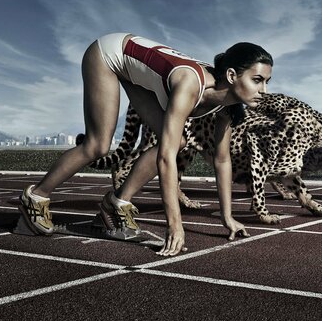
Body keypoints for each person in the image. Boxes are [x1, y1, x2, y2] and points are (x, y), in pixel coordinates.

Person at [18, 33, 273, 256]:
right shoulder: (190, 84)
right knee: (98, 145)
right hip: (109, 54)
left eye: (266, 82)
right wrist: (175, 225)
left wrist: (227, 217)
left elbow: (222, 159)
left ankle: (116, 204)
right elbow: (166, 158)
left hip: (133, 68)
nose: (264, 90)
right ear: (231, 75)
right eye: (257, 80)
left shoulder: (228, 106)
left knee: (178, 140)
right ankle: (35, 198)